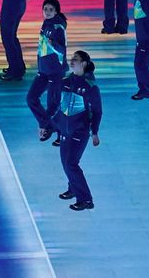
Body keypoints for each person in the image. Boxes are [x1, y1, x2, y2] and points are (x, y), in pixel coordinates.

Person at [46, 50, 102, 211]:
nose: (71, 61)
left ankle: (86, 199)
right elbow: (60, 108)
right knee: (66, 163)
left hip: (80, 132)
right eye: (72, 58)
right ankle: (73, 189)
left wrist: (94, 132)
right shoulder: (65, 82)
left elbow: (97, 111)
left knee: (71, 163)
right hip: (65, 130)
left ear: (83, 63)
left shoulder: (90, 87)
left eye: (75, 59)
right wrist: (49, 127)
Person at [28, 0, 67, 141]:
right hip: (43, 71)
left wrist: (54, 45)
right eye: (45, 9)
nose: (47, 11)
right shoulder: (46, 23)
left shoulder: (58, 27)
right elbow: (42, 48)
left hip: (55, 72)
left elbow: (62, 50)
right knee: (31, 98)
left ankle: (58, 133)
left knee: (53, 105)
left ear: (56, 11)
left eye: (51, 9)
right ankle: (47, 126)